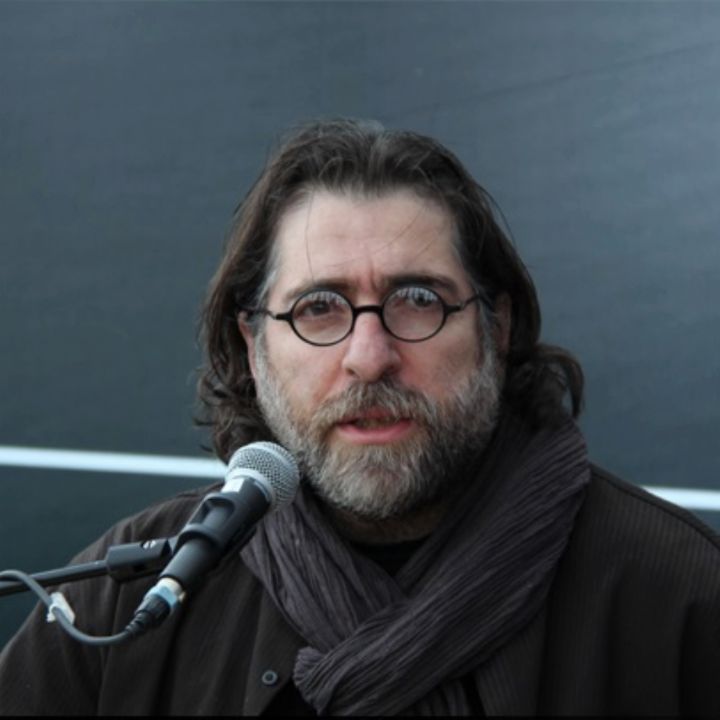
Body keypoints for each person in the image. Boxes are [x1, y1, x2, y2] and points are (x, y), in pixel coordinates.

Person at [1, 118, 719, 716]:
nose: (369, 357)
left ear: (495, 328)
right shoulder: (123, 600)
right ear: (253, 345)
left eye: (418, 300)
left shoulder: (680, 596)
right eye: (319, 307)